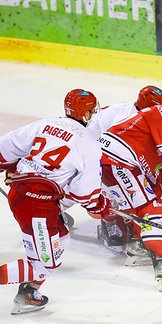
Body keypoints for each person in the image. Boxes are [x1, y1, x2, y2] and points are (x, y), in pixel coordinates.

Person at [0, 89, 110, 315]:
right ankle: (28, 290)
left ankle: (29, 294)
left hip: (25, 195)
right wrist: (98, 206)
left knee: (62, 237)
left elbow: (7, 147)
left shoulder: (46, 123)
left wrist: (7, 166)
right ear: (87, 113)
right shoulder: (89, 143)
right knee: (45, 264)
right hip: (37, 205)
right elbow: (85, 192)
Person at [98, 80, 162, 292]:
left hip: (109, 160)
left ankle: (137, 247)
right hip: (119, 160)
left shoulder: (159, 113)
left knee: (151, 195)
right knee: (151, 208)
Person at [88, 85, 162, 252]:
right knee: (114, 197)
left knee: (149, 193)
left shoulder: (145, 118)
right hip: (98, 162)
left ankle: (139, 232)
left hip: (122, 164)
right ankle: (109, 223)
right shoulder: (123, 116)